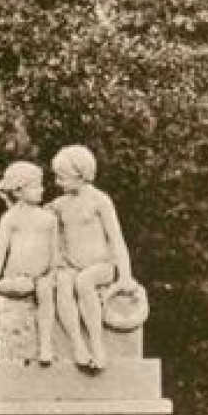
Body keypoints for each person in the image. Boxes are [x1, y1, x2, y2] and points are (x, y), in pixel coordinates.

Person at [49, 145, 136, 371]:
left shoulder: (100, 201)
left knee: (84, 281)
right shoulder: (59, 205)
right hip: (72, 266)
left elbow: (117, 239)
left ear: (80, 175)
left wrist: (125, 275)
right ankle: (78, 345)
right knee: (65, 282)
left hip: (102, 267)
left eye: (62, 177)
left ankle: (97, 345)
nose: (57, 182)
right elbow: (30, 216)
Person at [0, 161, 59, 364]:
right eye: (36, 185)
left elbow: (55, 254)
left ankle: (45, 347)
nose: (42, 189)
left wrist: (52, 274)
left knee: (44, 291)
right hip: (15, 278)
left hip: (41, 279)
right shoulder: (10, 219)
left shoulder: (49, 219)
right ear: (19, 191)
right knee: (0, 289)